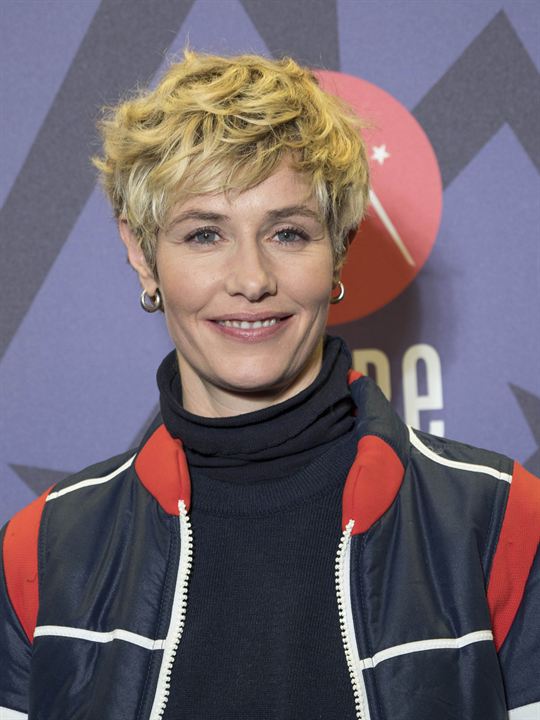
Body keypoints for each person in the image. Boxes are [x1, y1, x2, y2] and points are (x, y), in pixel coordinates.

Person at [1, 50, 538, 720]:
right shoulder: (41, 551)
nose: (252, 279)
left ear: (337, 247)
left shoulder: (502, 522)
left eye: (287, 233)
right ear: (142, 254)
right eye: (205, 234)